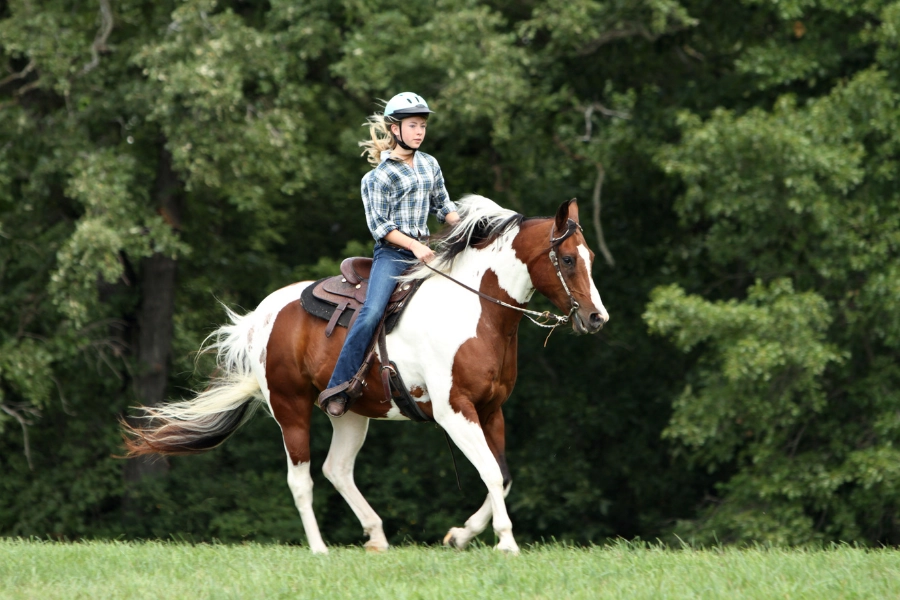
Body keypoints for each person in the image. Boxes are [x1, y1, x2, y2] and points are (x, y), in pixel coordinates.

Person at [317, 92, 460, 417]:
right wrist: (415, 246)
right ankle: (340, 385)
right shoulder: (377, 178)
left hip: (427, 253)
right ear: (395, 129)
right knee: (371, 312)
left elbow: (444, 205)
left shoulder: (430, 164)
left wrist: (467, 227)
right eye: (413, 125)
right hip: (394, 256)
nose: (420, 131)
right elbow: (381, 227)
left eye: (422, 125)